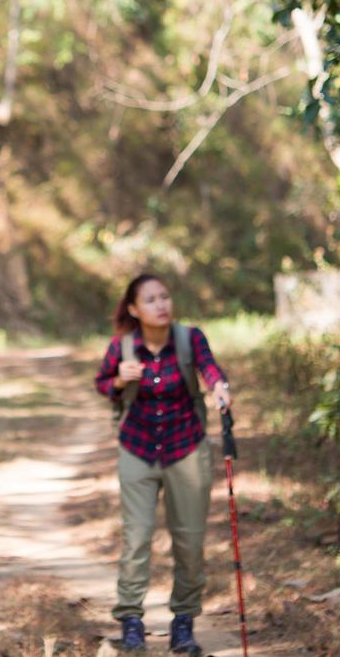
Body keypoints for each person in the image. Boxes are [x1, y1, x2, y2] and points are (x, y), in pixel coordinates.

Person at [94, 273, 231, 655]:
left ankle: (183, 623)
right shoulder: (123, 347)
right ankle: (131, 622)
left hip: (186, 448)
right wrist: (118, 381)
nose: (161, 305)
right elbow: (101, 383)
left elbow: (210, 369)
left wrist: (220, 387)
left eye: (165, 297)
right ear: (134, 309)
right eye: (151, 299)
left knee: (189, 541)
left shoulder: (190, 339)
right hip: (137, 449)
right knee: (136, 538)